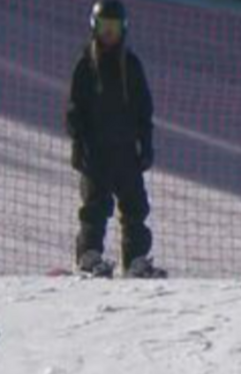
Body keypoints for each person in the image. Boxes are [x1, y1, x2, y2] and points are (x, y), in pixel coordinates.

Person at [66, 0, 166, 278]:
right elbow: (74, 109)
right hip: (95, 153)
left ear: (123, 29)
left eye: (114, 27)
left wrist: (145, 145)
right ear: (94, 28)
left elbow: (143, 110)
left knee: (135, 206)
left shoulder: (131, 65)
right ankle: (89, 256)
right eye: (103, 27)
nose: (109, 34)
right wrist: (78, 143)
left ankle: (135, 259)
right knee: (95, 207)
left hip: (125, 152)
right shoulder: (87, 64)